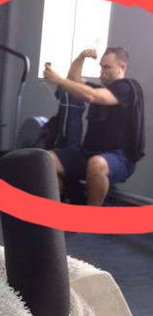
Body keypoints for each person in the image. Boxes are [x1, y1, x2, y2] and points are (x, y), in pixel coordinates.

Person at [43, 47, 144, 206]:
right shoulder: (101, 89)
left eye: (107, 67)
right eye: (101, 67)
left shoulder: (127, 87)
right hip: (87, 153)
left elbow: (91, 96)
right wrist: (81, 56)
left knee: (97, 164)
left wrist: (59, 80)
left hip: (120, 158)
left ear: (122, 67)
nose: (102, 71)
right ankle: (59, 209)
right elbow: (73, 79)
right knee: (46, 160)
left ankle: (91, 216)